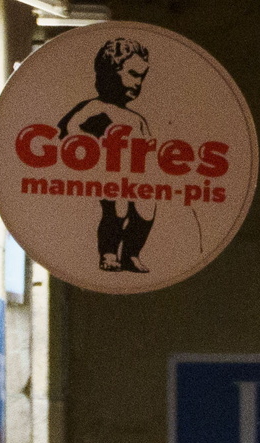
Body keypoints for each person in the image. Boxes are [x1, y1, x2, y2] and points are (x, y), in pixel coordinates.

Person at [58, 35, 156, 273]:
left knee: (147, 208)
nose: (138, 83)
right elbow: (70, 130)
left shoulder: (136, 119)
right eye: (133, 75)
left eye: (141, 78)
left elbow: (149, 148)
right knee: (118, 208)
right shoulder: (95, 108)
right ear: (110, 72)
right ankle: (109, 252)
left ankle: (131, 253)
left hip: (135, 175)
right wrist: (91, 150)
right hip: (108, 174)